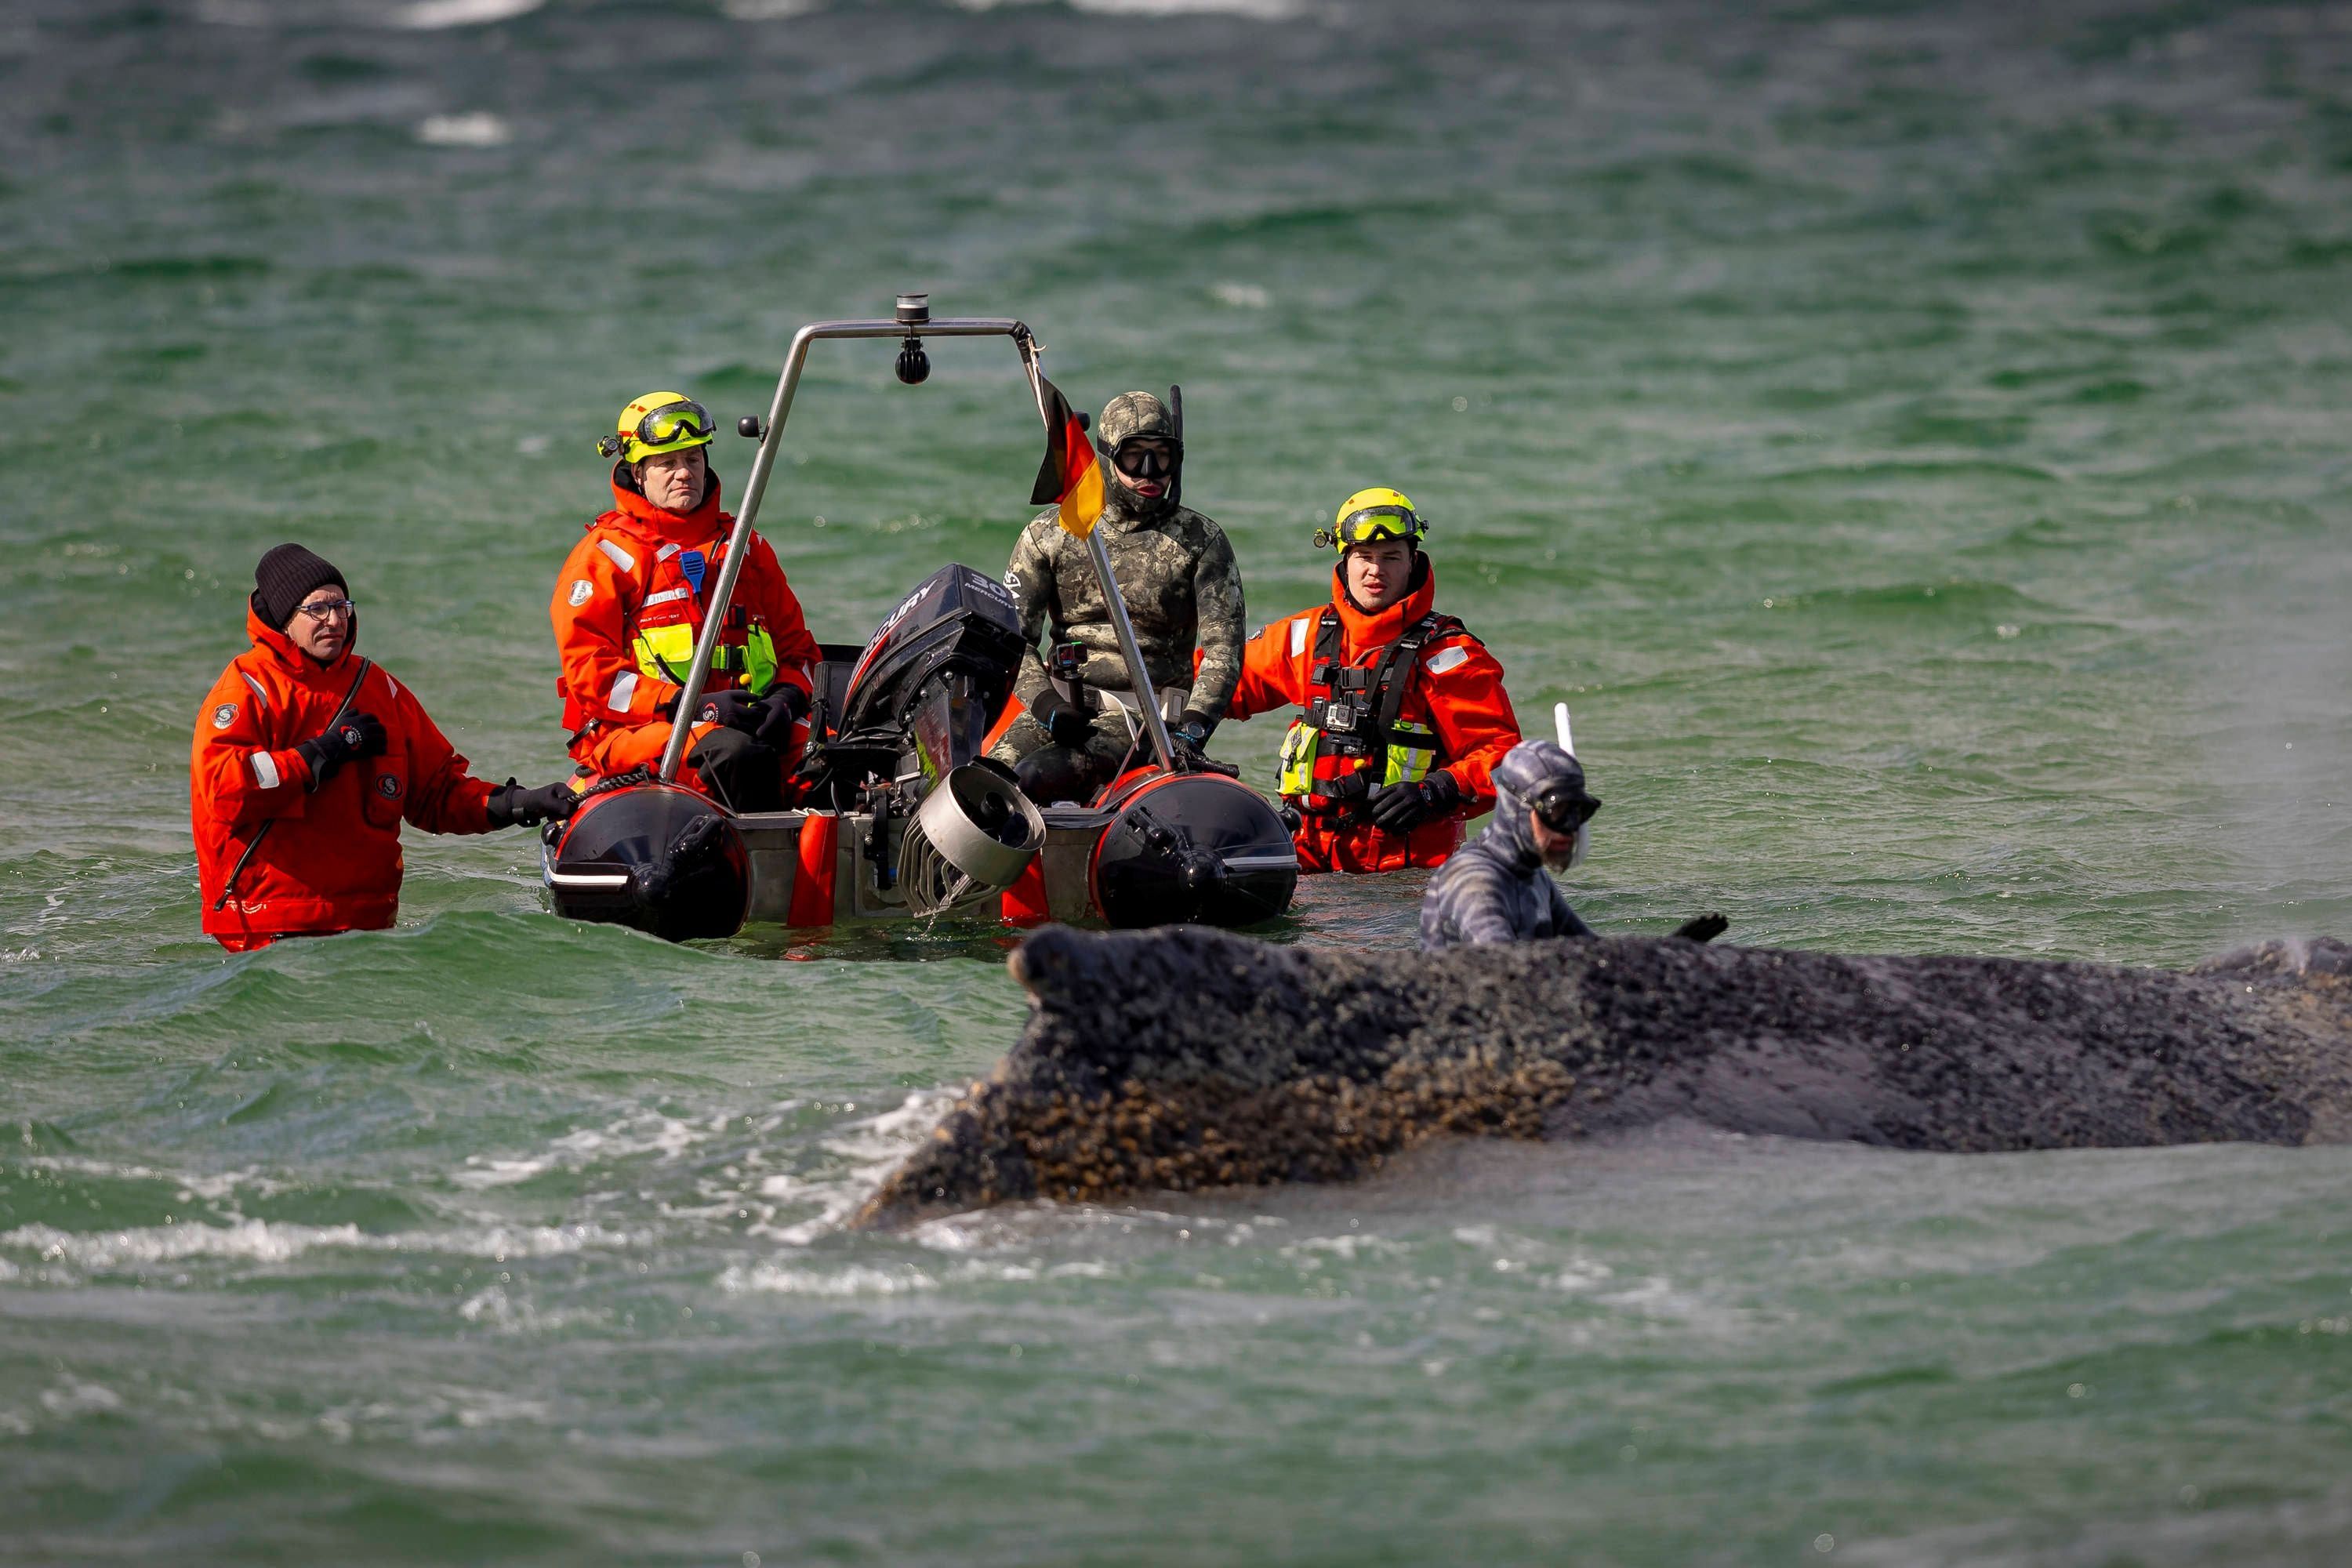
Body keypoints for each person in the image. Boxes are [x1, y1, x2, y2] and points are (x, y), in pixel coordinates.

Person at [192, 544, 578, 951]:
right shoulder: (247, 688)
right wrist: (324, 752)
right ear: (284, 619)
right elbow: (225, 790)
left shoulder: (380, 688)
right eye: (317, 609)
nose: (334, 620)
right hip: (268, 923)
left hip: (368, 928)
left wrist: (519, 803)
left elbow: (437, 794)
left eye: (341, 606)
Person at [1218, 487, 1521, 873]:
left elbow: (1504, 757)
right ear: (1345, 562)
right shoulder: (1305, 636)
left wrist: (1436, 791)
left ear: (1412, 562)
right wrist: (1164, 702)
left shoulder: (1448, 656)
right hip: (1307, 865)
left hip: (1407, 878)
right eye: (1364, 556)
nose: (1376, 570)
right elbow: (1217, 681)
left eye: (1391, 557)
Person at [551, 390, 821, 811]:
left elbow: (799, 652)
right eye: (667, 463)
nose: (684, 473)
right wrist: (690, 704)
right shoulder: (604, 558)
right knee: (737, 756)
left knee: (836, 758)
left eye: (693, 459)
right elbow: (593, 677)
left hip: (752, 719)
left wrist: (785, 701)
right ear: (638, 473)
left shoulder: (745, 548)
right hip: (642, 729)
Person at [989, 390, 1244, 802]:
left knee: (1036, 777)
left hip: (1146, 720)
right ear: (1108, 458)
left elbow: (1223, 649)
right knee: (990, 779)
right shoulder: (1050, 534)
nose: (1150, 472)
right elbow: (1013, 641)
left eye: (1162, 457)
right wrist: (1047, 705)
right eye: (1134, 456)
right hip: (1061, 709)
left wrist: (1193, 729)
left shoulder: (1201, 541)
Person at [1418, 739, 1599, 950]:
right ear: (1517, 807)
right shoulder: (1474, 881)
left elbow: (1592, 949)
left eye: (1580, 810)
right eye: (1557, 811)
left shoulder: (1531, 873)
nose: (1570, 827)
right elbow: (1502, 962)